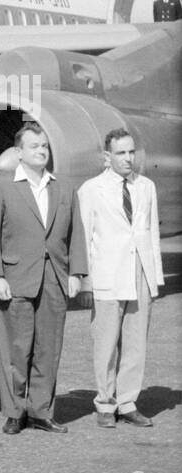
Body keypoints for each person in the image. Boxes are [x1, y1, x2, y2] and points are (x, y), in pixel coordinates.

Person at [0, 120, 87, 434]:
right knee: (17, 349)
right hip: (16, 278)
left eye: (44, 146)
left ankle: (41, 411)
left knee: (48, 348)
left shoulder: (64, 186)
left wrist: (77, 272)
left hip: (54, 277)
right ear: (18, 152)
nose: (41, 151)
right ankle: (15, 411)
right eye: (34, 146)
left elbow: (76, 233)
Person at [77, 129, 163, 428]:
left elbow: (151, 233)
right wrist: (85, 281)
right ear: (107, 156)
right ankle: (105, 403)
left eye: (131, 152)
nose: (128, 159)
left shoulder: (146, 187)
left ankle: (127, 402)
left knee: (136, 343)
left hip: (139, 273)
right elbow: (84, 238)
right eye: (121, 153)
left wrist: (155, 279)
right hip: (107, 276)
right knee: (106, 343)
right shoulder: (90, 189)